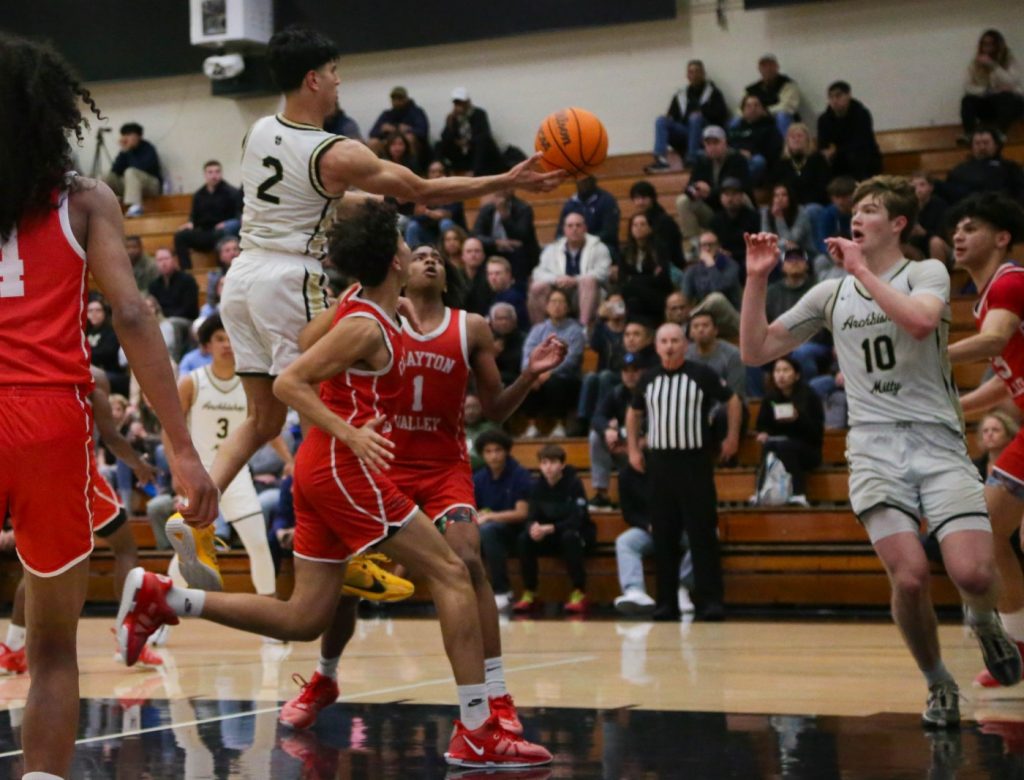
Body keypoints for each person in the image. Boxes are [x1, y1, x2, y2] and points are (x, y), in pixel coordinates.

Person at [116, 200, 553, 769]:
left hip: (326, 471)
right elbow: (291, 383)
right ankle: (476, 728)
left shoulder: (371, 310)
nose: (412, 249)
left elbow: (303, 342)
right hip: (343, 467)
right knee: (451, 571)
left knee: (304, 616)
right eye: (403, 242)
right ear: (393, 260)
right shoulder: (367, 323)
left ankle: (165, 597)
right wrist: (351, 431)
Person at [183, 27, 563, 595]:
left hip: (239, 279)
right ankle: (349, 537)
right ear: (314, 78)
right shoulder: (335, 150)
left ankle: (191, 515)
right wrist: (505, 179)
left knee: (262, 420)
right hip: (291, 278)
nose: (340, 83)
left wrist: (374, 199)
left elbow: (336, 197)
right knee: (322, 404)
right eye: (334, 73)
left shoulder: (260, 130)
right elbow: (419, 191)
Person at [0, 32, 217, 779]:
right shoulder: (85, 200)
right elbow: (131, 316)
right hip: (47, 420)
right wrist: (181, 448)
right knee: (55, 650)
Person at [739, 175, 1023, 729]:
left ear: (897, 224)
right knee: (911, 577)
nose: (857, 216)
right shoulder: (830, 293)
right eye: (855, 209)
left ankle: (984, 618)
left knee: (973, 573)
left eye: (870, 209)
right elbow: (755, 350)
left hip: (937, 443)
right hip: (873, 449)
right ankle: (938, 681)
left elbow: (919, 324)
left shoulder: (926, 273)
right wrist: (755, 281)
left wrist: (862, 271)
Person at [278, 242, 566, 735]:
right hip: (379, 461)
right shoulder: (376, 320)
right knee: (350, 584)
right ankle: (325, 678)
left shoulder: (470, 326)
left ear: (447, 278)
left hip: (443, 469)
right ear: (399, 273)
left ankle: (494, 696)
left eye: (437, 257)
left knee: (467, 560)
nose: (429, 259)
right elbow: (306, 353)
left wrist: (530, 378)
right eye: (419, 255)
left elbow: (495, 409)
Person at [0, 367, 163, 675]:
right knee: (126, 548)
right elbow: (112, 438)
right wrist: (140, 465)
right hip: (78, 476)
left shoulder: (26, 365)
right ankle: (128, 637)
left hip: (34, 467)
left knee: (33, 564)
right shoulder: (93, 374)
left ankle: (14, 646)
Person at [946, 192, 1024, 688]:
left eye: (970, 227)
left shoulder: (1011, 282)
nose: (958, 234)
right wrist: (951, 408)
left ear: (1000, 238)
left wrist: (924, 355)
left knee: (989, 525)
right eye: (956, 227)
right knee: (992, 530)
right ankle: (1017, 644)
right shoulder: (987, 298)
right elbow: (1006, 378)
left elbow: (995, 343)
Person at [627, 323, 741, 622]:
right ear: (656, 346)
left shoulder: (701, 374)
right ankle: (666, 603)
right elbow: (633, 412)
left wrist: (732, 438)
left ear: (685, 344)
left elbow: (732, 400)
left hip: (695, 464)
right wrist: (633, 450)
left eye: (675, 340)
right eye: (664, 340)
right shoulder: (648, 378)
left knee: (702, 534)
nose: (669, 346)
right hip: (660, 466)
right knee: (663, 537)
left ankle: (710, 602)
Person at [162, 314, 277, 604]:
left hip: (236, 476)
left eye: (230, 338)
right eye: (219, 339)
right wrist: (176, 469)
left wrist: (288, 458)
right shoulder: (192, 382)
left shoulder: (250, 385)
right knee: (186, 552)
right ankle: (159, 614)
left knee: (259, 544)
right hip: (199, 476)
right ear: (207, 345)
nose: (226, 344)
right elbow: (169, 427)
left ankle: (270, 618)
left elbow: (265, 424)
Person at [514, 444, 596, 614]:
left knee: (569, 537)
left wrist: (551, 528)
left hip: (575, 535)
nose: (548, 467)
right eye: (544, 463)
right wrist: (533, 527)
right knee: (524, 538)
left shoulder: (573, 484)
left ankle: (579, 592)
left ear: (562, 465)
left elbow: (578, 518)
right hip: (549, 536)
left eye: (553, 462)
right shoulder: (537, 486)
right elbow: (531, 516)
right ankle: (531, 592)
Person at [474, 429, 534, 609]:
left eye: (498, 450)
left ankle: (503, 590)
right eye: (488, 451)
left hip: (517, 532)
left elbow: (521, 513)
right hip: (487, 532)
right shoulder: (478, 478)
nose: (493, 456)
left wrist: (490, 516)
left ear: (506, 451)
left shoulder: (520, 475)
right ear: (482, 455)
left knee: (488, 530)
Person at [754, 356, 824, 506]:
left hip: (808, 448)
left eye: (786, 370)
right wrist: (764, 432)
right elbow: (762, 424)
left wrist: (798, 418)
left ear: (796, 375)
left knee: (786, 447)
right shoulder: (770, 397)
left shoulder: (809, 396)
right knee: (768, 446)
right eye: (777, 371)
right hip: (780, 444)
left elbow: (816, 432)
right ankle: (760, 490)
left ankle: (799, 493)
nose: (781, 375)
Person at [520, 288, 587, 437]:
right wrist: (533, 373)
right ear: (547, 306)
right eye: (553, 301)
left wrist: (548, 372)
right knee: (525, 382)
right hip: (539, 374)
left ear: (568, 307)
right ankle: (531, 426)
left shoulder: (575, 330)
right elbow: (527, 355)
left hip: (566, 377)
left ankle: (559, 425)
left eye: (561, 302)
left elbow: (572, 359)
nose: (557, 305)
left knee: (554, 383)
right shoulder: (538, 329)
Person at [588, 351, 647, 514]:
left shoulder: (652, 393)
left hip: (647, 447)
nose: (630, 375)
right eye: (625, 371)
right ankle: (601, 494)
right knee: (596, 437)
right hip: (622, 446)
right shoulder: (616, 393)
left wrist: (639, 441)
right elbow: (597, 417)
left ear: (643, 372)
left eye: (634, 371)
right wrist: (607, 428)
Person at [529, 211, 611, 327]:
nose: (574, 229)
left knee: (588, 280)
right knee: (537, 287)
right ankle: (540, 329)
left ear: (585, 228)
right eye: (570, 226)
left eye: (578, 225)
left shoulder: (599, 247)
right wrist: (556, 279)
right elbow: (538, 272)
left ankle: (584, 328)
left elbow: (604, 272)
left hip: (589, 293)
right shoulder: (553, 249)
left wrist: (576, 280)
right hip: (559, 292)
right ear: (564, 229)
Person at [647, 59, 729, 170]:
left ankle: (692, 158)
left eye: (697, 71)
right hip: (685, 132)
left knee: (695, 118)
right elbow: (672, 115)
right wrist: (668, 118)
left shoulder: (713, 92)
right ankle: (661, 158)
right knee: (661, 120)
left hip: (705, 132)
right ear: (687, 75)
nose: (694, 74)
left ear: (703, 73)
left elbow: (721, 114)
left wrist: (702, 114)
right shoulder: (681, 94)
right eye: (691, 72)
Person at [676, 127, 752, 244]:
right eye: (708, 144)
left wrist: (709, 192)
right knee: (683, 201)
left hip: (735, 209)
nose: (712, 147)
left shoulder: (737, 159)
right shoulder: (702, 161)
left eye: (716, 143)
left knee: (742, 198)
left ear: (725, 142)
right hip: (712, 211)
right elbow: (689, 187)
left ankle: (753, 238)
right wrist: (695, 190)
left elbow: (739, 186)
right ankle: (695, 244)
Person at [172, 160, 242, 270]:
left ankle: (223, 272)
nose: (214, 175)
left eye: (217, 172)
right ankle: (187, 272)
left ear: (221, 173)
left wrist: (227, 224)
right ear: (205, 174)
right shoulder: (198, 195)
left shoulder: (232, 193)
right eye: (210, 172)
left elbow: (239, 216)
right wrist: (190, 224)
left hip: (223, 233)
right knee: (180, 236)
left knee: (223, 236)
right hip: (204, 233)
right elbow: (194, 217)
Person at [473, 190, 541, 290]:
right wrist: (496, 243)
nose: (501, 190)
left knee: (519, 256)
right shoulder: (487, 210)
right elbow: (476, 235)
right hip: (493, 250)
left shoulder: (524, 208)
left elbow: (522, 236)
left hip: (516, 253)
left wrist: (505, 218)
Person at [961, 29, 1024, 136]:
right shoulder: (975, 63)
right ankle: (970, 135)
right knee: (967, 100)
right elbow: (968, 87)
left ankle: (998, 134)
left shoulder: (1009, 60)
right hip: (988, 100)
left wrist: (993, 65)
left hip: (1009, 104)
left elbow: (1012, 82)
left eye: (991, 44)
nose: (987, 47)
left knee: (1006, 98)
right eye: (984, 44)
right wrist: (989, 91)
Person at [816, 81, 882, 182]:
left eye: (838, 96)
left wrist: (836, 150)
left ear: (848, 95)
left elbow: (861, 142)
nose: (834, 100)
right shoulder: (824, 119)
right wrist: (826, 153)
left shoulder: (862, 114)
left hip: (863, 157)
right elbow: (823, 144)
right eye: (831, 97)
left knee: (857, 156)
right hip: (837, 160)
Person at [681, 231, 742, 337]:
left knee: (716, 298)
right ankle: (685, 325)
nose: (708, 248)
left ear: (718, 246)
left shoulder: (731, 265)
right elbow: (685, 298)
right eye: (704, 245)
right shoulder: (692, 270)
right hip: (705, 319)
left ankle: (687, 323)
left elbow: (719, 288)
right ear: (699, 248)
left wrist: (711, 265)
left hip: (731, 317)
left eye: (711, 244)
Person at [617, 212, 674, 325]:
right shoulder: (625, 252)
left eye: (642, 224)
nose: (638, 228)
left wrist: (633, 280)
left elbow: (661, 279)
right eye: (635, 225)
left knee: (632, 291)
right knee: (633, 302)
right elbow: (622, 281)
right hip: (635, 298)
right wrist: (649, 277)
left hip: (656, 295)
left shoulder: (659, 249)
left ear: (650, 228)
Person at [943, 128, 1024, 204]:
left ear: (996, 145)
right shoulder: (959, 171)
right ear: (971, 146)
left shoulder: (1010, 168)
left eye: (986, 143)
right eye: (977, 143)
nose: (982, 147)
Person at [439, 88, 505, 176]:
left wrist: (467, 142)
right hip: (462, 151)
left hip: (475, 148)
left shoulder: (479, 114)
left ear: (468, 102)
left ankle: (475, 171)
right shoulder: (453, 118)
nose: (459, 105)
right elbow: (445, 137)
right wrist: (449, 124)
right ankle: (444, 171)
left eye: (461, 102)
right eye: (456, 103)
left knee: (482, 141)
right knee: (439, 145)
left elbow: (483, 133)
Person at [404, 160, 468, 249]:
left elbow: (452, 213)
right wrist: (430, 213)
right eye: (433, 172)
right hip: (430, 236)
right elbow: (414, 215)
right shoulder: (422, 193)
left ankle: (449, 257)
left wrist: (429, 212)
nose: (437, 175)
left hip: (454, 234)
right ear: (427, 175)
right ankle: (414, 257)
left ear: (446, 174)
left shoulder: (455, 192)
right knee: (412, 226)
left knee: (445, 223)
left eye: (440, 171)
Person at [104, 121, 162, 217]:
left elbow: (141, 167)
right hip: (131, 186)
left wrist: (129, 151)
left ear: (139, 136)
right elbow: (115, 170)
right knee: (107, 176)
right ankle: (106, 209)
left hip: (152, 185)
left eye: (129, 134)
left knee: (130, 172)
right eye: (124, 135)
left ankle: (135, 207)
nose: (126, 138)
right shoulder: (126, 151)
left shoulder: (148, 148)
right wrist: (124, 151)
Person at [556, 175, 621, 259]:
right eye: (580, 180)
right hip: (574, 246)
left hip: (600, 245)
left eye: (586, 180)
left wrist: (585, 242)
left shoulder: (607, 200)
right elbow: (559, 234)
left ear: (593, 180)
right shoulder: (570, 204)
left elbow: (609, 233)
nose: (583, 184)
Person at [769, 123, 832, 209]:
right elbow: (777, 187)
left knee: (811, 209)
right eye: (792, 137)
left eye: (800, 136)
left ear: (807, 139)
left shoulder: (818, 159)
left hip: (814, 204)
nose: (796, 139)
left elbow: (823, 187)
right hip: (790, 206)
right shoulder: (781, 163)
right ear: (787, 141)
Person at [727, 94, 783, 185]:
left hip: (754, 160)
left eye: (756, 105)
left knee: (759, 161)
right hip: (735, 157)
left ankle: (739, 187)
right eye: (748, 106)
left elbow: (772, 152)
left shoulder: (769, 128)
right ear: (743, 110)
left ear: (762, 109)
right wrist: (738, 152)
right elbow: (728, 144)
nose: (753, 109)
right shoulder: (736, 128)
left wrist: (751, 152)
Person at [709, 178, 761, 271]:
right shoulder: (715, 220)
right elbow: (714, 243)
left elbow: (757, 245)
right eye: (726, 194)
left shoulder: (754, 217)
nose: (730, 198)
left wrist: (733, 254)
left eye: (734, 194)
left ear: (741, 196)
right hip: (723, 259)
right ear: (721, 198)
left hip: (747, 258)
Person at [742, 54, 802, 135]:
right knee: (735, 120)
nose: (767, 69)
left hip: (777, 118)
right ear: (759, 69)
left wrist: (765, 111)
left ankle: (785, 146)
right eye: (764, 66)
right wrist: (749, 113)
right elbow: (741, 107)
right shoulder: (751, 89)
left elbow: (787, 107)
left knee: (782, 116)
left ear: (777, 67)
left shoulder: (788, 85)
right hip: (757, 118)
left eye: (771, 65)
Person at [367, 86, 429, 162]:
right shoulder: (387, 114)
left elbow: (423, 132)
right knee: (373, 142)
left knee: (409, 138)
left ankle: (412, 167)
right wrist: (382, 130)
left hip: (410, 145)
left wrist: (409, 129)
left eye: (400, 98)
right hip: (389, 143)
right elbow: (372, 133)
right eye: (394, 99)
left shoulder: (416, 112)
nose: (396, 101)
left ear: (406, 99)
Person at [760, 182, 819, 261]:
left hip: (804, 252)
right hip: (777, 250)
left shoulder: (801, 212)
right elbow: (766, 239)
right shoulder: (766, 213)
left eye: (784, 195)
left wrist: (779, 218)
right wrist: (784, 243)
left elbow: (793, 239)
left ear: (790, 197)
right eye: (776, 195)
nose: (780, 198)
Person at [909, 172, 951, 265]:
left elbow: (943, 234)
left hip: (940, 246)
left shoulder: (940, 205)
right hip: (917, 249)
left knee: (935, 243)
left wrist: (924, 233)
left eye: (922, 185)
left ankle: (938, 277)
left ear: (931, 187)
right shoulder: (907, 206)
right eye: (914, 186)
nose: (918, 189)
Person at [148, 247, 199, 322]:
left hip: (185, 320)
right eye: (159, 260)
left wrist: (167, 317)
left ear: (174, 260)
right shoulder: (153, 285)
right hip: (161, 320)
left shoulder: (187, 280)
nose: (163, 263)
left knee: (170, 323)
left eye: (166, 259)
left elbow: (189, 309)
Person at [484, 255, 528, 328]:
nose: (493, 278)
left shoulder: (514, 297)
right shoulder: (493, 295)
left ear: (508, 275)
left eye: (497, 273)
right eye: (490, 274)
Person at [974, 411, 1020, 480]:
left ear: (1008, 435)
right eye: (985, 431)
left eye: (995, 430)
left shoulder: (1019, 465)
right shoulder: (973, 467)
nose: (989, 434)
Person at [490, 302, 526, 384]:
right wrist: (492, 354)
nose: (503, 322)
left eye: (507, 318)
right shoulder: (486, 339)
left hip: (516, 380)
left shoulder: (524, 339)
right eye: (499, 319)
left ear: (514, 320)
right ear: (492, 322)